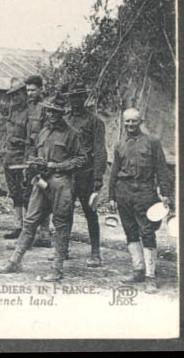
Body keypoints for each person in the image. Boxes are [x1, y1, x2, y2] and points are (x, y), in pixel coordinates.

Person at [0, 94, 86, 281]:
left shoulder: (71, 134)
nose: (52, 114)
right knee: (30, 222)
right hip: (41, 182)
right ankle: (14, 261)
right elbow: (35, 152)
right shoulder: (43, 132)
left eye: (56, 112)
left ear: (62, 113)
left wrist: (57, 166)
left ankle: (57, 267)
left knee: (61, 225)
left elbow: (81, 159)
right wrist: (35, 163)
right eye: (50, 110)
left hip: (61, 182)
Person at [108, 108, 172, 294]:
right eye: (127, 121)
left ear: (140, 121)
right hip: (123, 192)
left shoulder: (152, 142)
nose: (129, 125)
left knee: (148, 231)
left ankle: (150, 277)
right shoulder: (120, 145)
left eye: (133, 121)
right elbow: (114, 173)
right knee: (130, 231)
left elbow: (162, 169)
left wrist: (165, 193)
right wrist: (111, 196)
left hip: (145, 192)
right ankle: (138, 270)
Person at [64, 82, 107, 267]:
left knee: (90, 213)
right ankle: (62, 249)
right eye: (72, 97)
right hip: (66, 174)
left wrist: (98, 177)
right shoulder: (64, 119)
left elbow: (99, 150)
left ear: (84, 98)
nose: (75, 101)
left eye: (79, 96)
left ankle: (95, 253)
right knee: (64, 212)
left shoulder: (95, 121)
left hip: (86, 174)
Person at [0, 77, 30, 240]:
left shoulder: (31, 112)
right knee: (15, 194)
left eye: (18, 94)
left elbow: (35, 138)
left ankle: (29, 228)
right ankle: (18, 226)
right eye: (12, 95)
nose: (15, 98)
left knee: (27, 195)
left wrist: (20, 142)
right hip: (10, 159)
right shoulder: (12, 110)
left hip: (24, 160)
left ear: (24, 94)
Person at [24, 75, 52, 248]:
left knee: (45, 192)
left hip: (44, 156)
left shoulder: (46, 108)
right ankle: (35, 233)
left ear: (41, 89)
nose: (30, 93)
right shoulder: (30, 107)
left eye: (33, 90)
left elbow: (47, 134)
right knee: (32, 193)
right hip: (31, 155)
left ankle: (44, 233)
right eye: (28, 90)